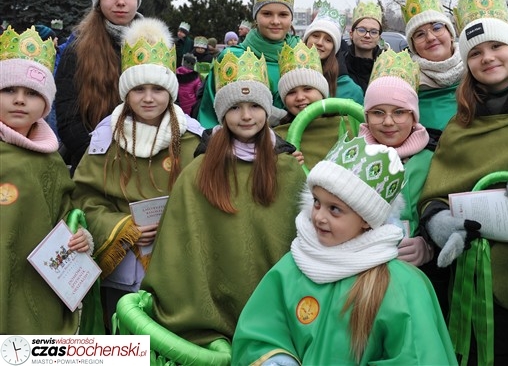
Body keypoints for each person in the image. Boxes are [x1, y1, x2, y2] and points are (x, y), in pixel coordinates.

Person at [418, 0, 508, 363]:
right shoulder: (462, 122)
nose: (488, 57)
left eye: (496, 46)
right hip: (474, 276)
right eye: (475, 52)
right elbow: (435, 192)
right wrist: (438, 221)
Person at [231, 135, 457, 366]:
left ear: (366, 219)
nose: (319, 216)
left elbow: (416, 356)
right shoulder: (292, 267)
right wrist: (276, 360)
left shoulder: (402, 285)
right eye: (317, 202)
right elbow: (259, 332)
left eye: (335, 209)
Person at [140, 47, 305, 346]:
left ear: (267, 110)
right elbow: (178, 245)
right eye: (235, 107)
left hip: (274, 309)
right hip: (211, 307)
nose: (246, 116)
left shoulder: (288, 169)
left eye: (255, 106)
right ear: (222, 112)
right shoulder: (198, 171)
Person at [70, 18, 203, 329]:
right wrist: (122, 227)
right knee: (123, 337)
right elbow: (83, 198)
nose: (148, 98)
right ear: (126, 93)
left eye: (158, 89)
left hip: (177, 264)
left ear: (170, 92)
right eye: (139, 89)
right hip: (121, 265)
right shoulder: (106, 137)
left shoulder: (192, 138)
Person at [0, 26, 92, 334]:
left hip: (34, 286)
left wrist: (80, 236)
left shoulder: (51, 161)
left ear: (46, 103)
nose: (19, 100)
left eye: (31, 93)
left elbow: (65, 213)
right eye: (8, 90)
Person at [55, 0, 143, 170]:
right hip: (94, 164)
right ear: (99, 1)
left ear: (137, 0)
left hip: (145, 162)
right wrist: (100, 159)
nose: (120, 2)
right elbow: (68, 118)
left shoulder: (155, 44)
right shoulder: (77, 49)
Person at [195, 0, 301, 129]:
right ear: (256, 17)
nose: (275, 21)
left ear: (291, 18)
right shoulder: (232, 57)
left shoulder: (302, 56)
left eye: (283, 15)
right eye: (267, 14)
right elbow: (210, 112)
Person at [359, 48, 434, 268]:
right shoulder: (354, 157)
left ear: (414, 117)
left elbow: (443, 207)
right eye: (378, 112)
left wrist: (429, 244)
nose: (388, 122)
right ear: (366, 116)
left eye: (399, 112)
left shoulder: (433, 160)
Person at [272, 42, 345, 170]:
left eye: (307, 89)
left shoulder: (347, 125)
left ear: (322, 93)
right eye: (291, 92)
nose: (300, 97)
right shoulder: (278, 138)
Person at [401, 0, 464, 133]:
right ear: (414, 47)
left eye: (437, 28)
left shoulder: (477, 71)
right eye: (420, 34)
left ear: (450, 34)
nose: (430, 38)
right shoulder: (406, 83)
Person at [303, 0, 364, 104]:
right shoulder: (288, 72)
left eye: (328, 40)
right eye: (315, 36)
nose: (320, 43)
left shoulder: (349, 90)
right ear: (306, 39)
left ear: (334, 48)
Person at [344, 0, 384, 92]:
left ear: (379, 37)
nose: (367, 35)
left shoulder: (386, 65)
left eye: (374, 32)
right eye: (362, 30)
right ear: (351, 34)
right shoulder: (340, 65)